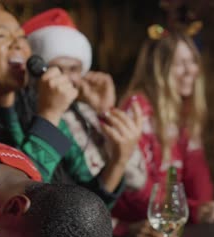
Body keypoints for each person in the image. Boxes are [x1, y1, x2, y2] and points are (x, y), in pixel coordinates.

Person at [0, 0, 122, 207]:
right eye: (1, 35)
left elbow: (88, 206)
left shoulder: (36, 103)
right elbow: (12, 205)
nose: (18, 44)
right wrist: (49, 118)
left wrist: (118, 161)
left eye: (21, 37)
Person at [112, 26, 214, 237]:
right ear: (158, 69)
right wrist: (194, 211)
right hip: (136, 236)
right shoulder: (136, 109)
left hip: (170, 227)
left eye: (193, 61)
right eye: (180, 63)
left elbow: (197, 173)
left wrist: (207, 208)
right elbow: (134, 189)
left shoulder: (182, 111)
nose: (191, 71)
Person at [22, 8, 146, 193]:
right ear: (36, 70)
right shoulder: (29, 114)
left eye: (74, 69)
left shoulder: (84, 111)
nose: (67, 78)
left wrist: (104, 111)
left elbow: (136, 179)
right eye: (57, 68)